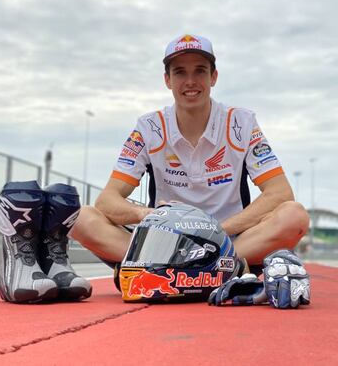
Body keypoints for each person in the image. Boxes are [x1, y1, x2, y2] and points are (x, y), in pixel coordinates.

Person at [71, 34, 309, 274]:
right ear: (167, 80)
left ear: (213, 77)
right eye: (180, 72)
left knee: (294, 215)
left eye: (200, 71)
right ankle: (214, 268)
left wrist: (212, 232)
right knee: (80, 218)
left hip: (229, 241)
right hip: (164, 241)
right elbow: (107, 201)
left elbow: (280, 193)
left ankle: (165, 268)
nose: (191, 81)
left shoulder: (241, 122)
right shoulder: (149, 127)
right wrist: (148, 215)